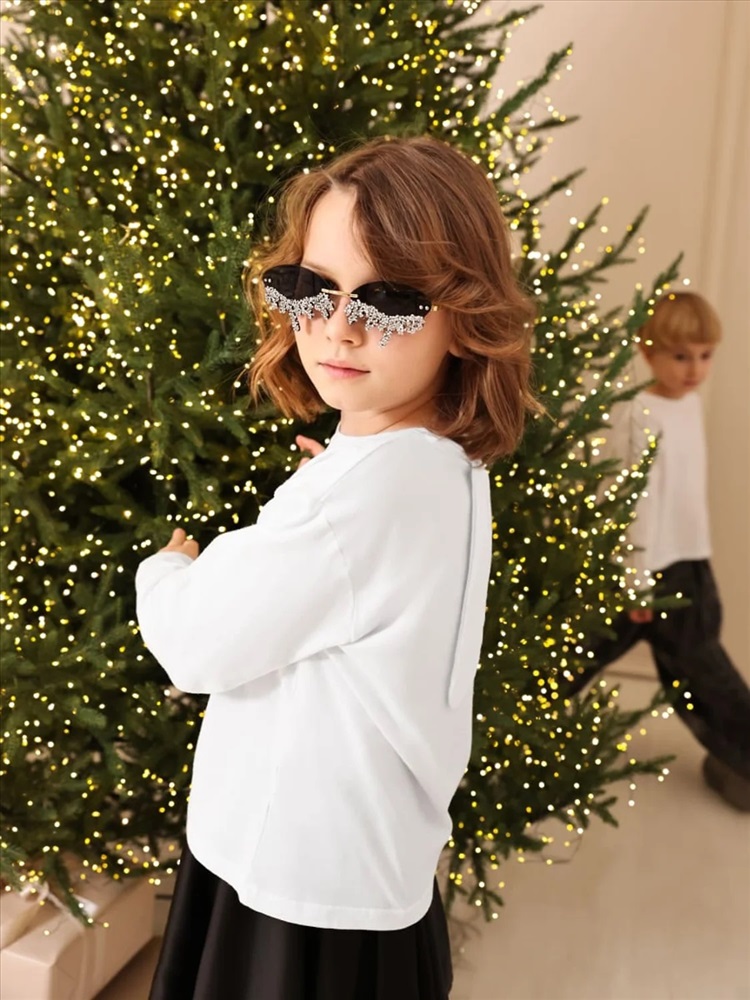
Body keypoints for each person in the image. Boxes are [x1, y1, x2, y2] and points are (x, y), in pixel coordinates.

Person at [135, 135, 537, 1000]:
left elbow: (195, 642)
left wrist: (164, 570)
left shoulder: (361, 499)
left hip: (291, 882)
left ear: (464, 313)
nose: (340, 326)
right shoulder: (441, 460)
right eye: (311, 287)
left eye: (389, 300)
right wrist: (332, 493)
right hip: (370, 864)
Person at [567, 291, 750, 811]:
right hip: (644, 569)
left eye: (705, 355)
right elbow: (635, 501)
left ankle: (738, 761)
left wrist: (696, 551)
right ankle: (505, 738)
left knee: (698, 668)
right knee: (575, 657)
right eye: (681, 356)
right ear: (648, 352)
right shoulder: (639, 412)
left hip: (686, 559)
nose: (695, 369)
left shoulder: (688, 404)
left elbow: (684, 493)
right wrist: (636, 580)